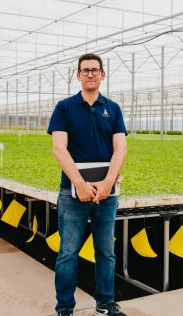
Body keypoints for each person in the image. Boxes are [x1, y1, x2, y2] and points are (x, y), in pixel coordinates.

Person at [48, 53, 127, 316]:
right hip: (72, 193)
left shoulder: (112, 108)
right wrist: (80, 184)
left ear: (103, 75)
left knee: (106, 252)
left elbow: (120, 149)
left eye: (95, 70)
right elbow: (59, 148)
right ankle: (65, 308)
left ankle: (104, 304)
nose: (90, 74)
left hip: (107, 194)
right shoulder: (65, 107)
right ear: (78, 75)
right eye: (85, 70)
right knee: (68, 253)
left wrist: (108, 183)